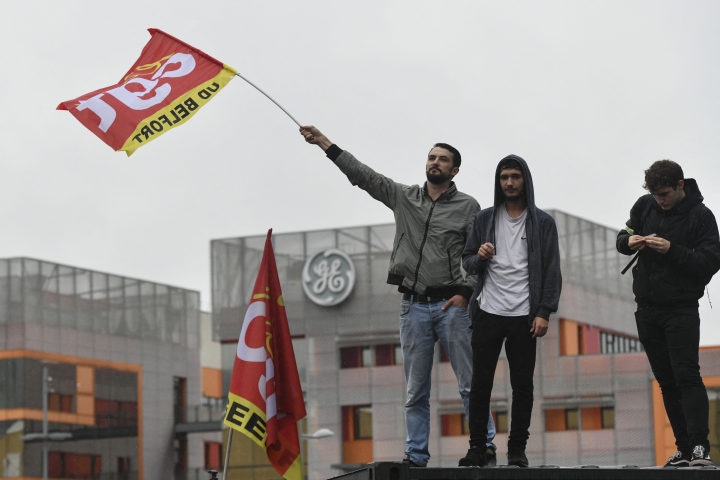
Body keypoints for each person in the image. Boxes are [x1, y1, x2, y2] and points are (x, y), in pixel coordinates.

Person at [299, 125, 496, 467]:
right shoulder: (405, 196)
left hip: (452, 306)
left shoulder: (469, 207)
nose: (435, 162)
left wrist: (466, 293)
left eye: (443, 159)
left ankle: (486, 445)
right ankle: (416, 455)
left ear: (455, 170)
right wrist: (325, 144)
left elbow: (477, 258)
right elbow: (364, 176)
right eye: (432, 157)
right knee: (415, 391)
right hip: (413, 307)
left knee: (469, 384)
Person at [459, 155, 561, 467]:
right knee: (480, 385)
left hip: (524, 316)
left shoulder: (543, 223)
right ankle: (477, 447)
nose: (509, 182)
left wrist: (544, 311)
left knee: (523, 387)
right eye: (504, 177)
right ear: (498, 181)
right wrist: (480, 255)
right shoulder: (485, 219)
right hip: (488, 310)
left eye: (515, 176)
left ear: (525, 180)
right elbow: (467, 263)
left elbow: (552, 271)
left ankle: (517, 450)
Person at [616, 160, 720, 467]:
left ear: (680, 186)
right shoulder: (644, 205)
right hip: (646, 308)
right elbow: (624, 234)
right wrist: (628, 242)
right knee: (666, 381)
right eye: (655, 193)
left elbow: (710, 261)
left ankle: (701, 447)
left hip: (681, 309)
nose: (659, 199)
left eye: (664, 193)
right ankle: (684, 448)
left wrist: (670, 249)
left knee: (687, 376)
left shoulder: (701, 216)